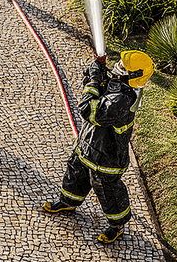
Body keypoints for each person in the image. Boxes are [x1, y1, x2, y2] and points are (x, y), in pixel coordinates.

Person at [42, 50, 154, 244]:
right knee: (76, 173)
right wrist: (97, 75)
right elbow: (103, 92)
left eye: (123, 67)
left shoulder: (122, 101)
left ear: (133, 76)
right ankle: (68, 202)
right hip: (89, 144)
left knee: (107, 189)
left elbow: (88, 109)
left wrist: (94, 82)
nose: (117, 67)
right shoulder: (121, 86)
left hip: (107, 157)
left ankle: (117, 225)